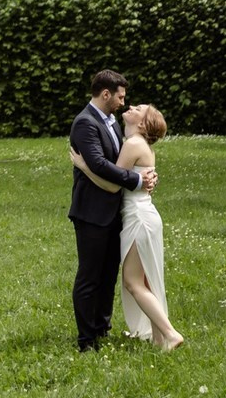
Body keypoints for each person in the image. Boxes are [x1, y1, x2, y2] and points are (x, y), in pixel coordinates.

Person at [70, 102, 185, 352]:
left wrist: (83, 166)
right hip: (144, 216)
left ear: (142, 123)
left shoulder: (133, 144)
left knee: (133, 282)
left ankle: (170, 333)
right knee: (146, 280)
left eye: (138, 108)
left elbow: (112, 185)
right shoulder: (137, 144)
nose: (130, 106)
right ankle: (157, 337)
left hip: (138, 218)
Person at [67, 69, 157, 353]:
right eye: (120, 97)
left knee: (108, 275)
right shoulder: (85, 123)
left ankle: (101, 328)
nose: (123, 103)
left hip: (114, 211)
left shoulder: (112, 122)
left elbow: (125, 159)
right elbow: (99, 165)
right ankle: (86, 340)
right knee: (90, 275)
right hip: (92, 212)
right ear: (105, 94)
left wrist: (144, 173)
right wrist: (138, 180)